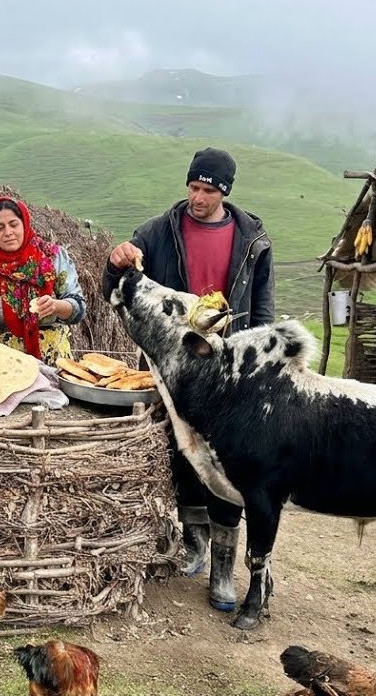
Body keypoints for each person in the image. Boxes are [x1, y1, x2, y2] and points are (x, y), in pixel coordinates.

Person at [101, 147, 275, 613]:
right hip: (175, 371)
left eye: (208, 190)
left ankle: (223, 569)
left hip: (227, 369)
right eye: (193, 188)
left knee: (229, 467)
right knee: (183, 458)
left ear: (224, 192)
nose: (198, 197)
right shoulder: (158, 232)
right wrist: (117, 262)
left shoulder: (251, 239)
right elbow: (113, 289)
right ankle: (194, 546)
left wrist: (256, 361)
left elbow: (261, 310)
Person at [0, 196, 86, 364]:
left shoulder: (54, 258)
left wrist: (56, 306)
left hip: (55, 361)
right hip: (3, 362)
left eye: (14, 225)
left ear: (25, 224)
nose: (8, 232)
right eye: (0, 228)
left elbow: (78, 308)